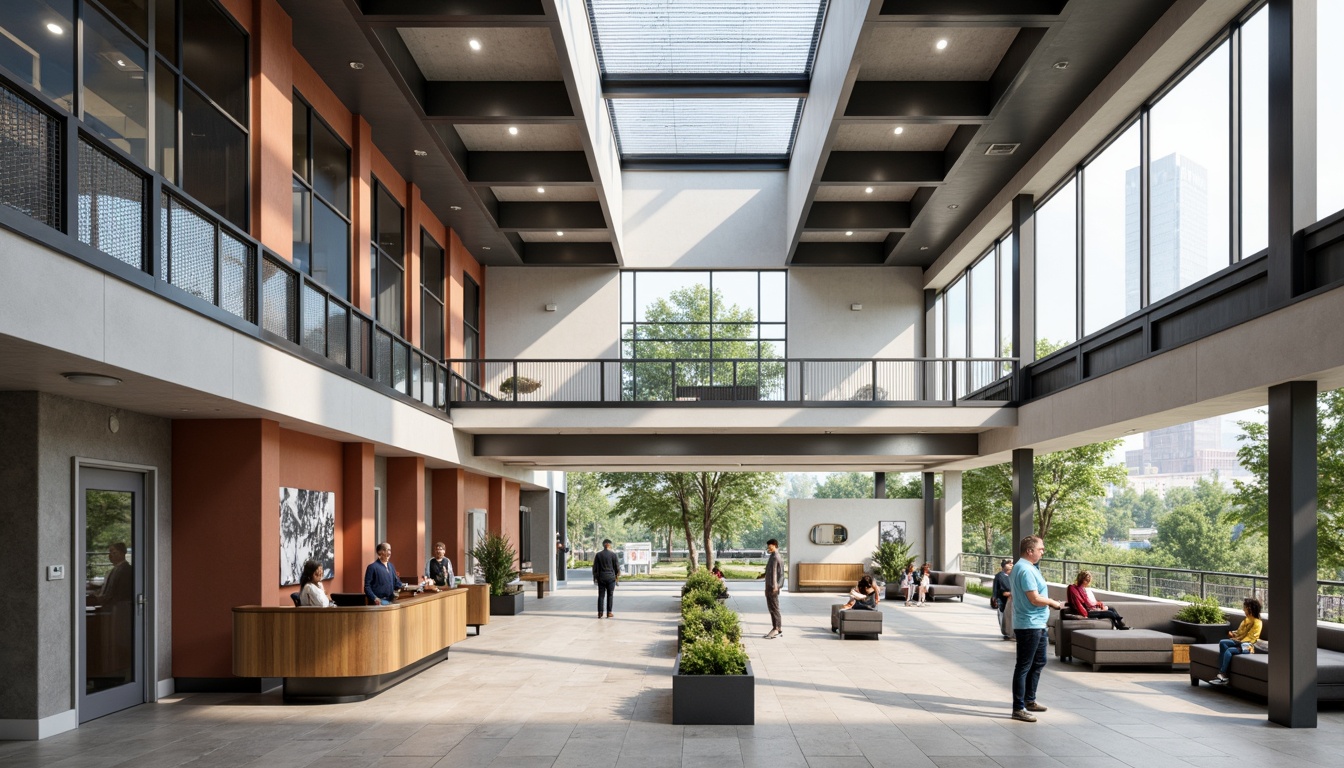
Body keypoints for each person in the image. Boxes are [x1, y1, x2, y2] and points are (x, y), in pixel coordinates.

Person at [1010, 535, 1065, 723]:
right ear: (1029, 551)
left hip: (1037, 624)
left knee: (1039, 662)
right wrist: (1054, 603)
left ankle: (1029, 700)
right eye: (1040, 548)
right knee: (1024, 665)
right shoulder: (1025, 570)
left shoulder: (1028, 568)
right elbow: (1034, 598)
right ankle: (1018, 708)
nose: (1043, 551)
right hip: (1029, 624)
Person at [1209, 598, 1263, 685]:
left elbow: (1251, 638)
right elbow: (1239, 633)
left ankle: (1222, 674)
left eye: (1245, 608)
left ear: (1250, 608)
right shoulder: (1246, 620)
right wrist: (1231, 634)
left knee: (1229, 651)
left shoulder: (1258, 622)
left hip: (1248, 647)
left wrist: (1237, 641)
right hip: (1240, 642)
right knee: (1223, 642)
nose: (1243, 610)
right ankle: (1222, 675)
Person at [758, 538, 784, 638]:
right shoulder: (772, 556)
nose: (768, 547)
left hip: (773, 588)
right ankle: (776, 627)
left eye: (770, 546)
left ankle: (777, 628)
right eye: (768, 546)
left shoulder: (776, 557)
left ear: (774, 545)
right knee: (772, 608)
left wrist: (776, 586)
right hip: (769, 587)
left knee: (774, 608)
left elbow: (780, 574)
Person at [592, 538, 621, 618]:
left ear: (603, 545)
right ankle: (609, 612)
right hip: (611, 578)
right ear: (609, 545)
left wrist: (595, 578)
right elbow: (617, 567)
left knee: (601, 595)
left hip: (601, 577)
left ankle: (600, 612)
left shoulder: (598, 555)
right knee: (610, 595)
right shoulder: (613, 555)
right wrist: (617, 575)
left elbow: (595, 567)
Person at [991, 559, 1014, 640]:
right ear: (1003, 565)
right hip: (1003, 600)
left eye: (1012, 563)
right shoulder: (1000, 576)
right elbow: (1001, 591)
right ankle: (1007, 633)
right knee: (1005, 617)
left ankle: (1009, 633)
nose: (1011, 564)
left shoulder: (1013, 575)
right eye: (1009, 563)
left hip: (1011, 601)